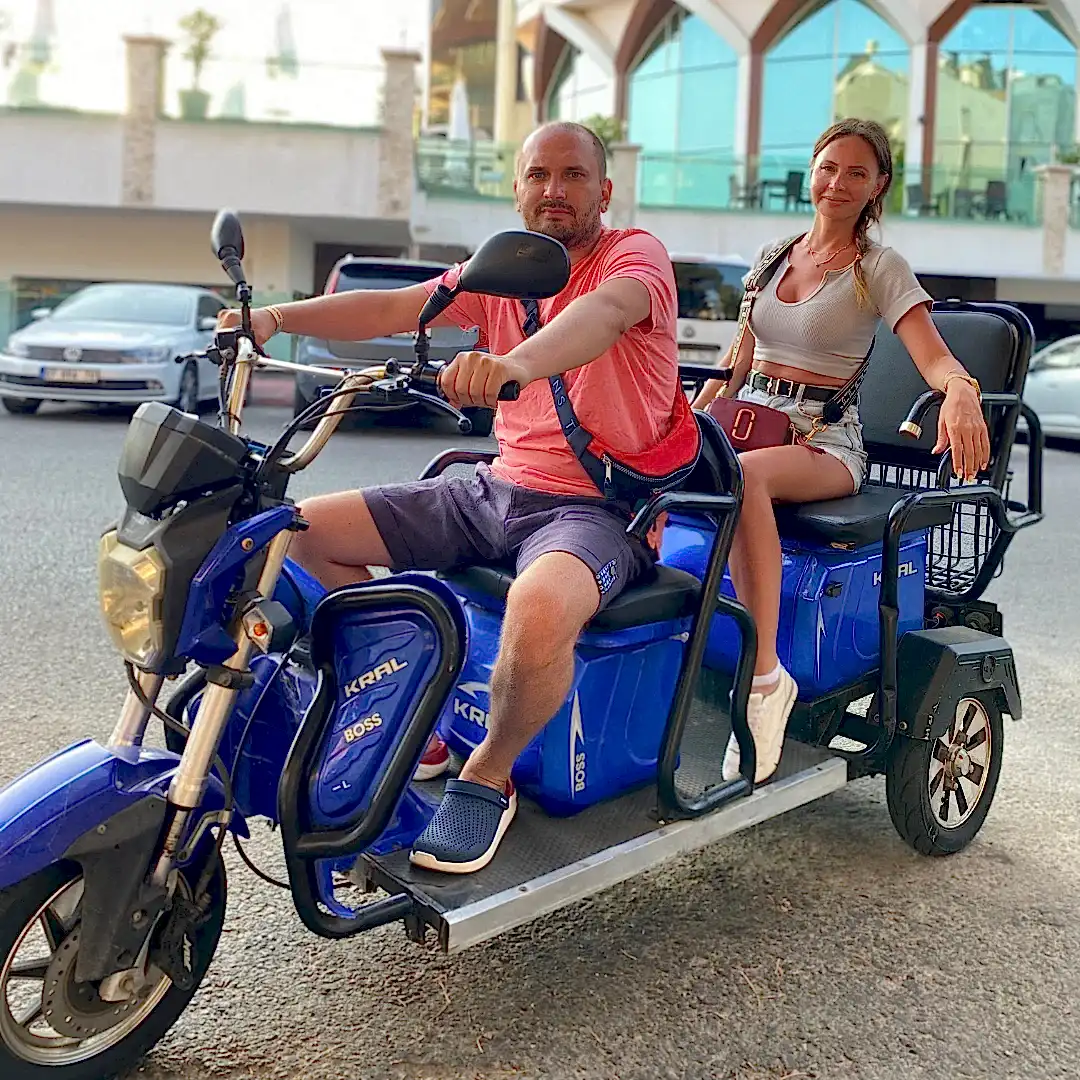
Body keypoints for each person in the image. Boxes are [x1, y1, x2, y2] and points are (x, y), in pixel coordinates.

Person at [218, 121, 685, 874]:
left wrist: (513, 365)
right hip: (495, 488)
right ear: (517, 189)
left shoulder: (635, 256)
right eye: (538, 176)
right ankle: (419, 719)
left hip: (599, 509)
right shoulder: (505, 267)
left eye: (573, 176)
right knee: (299, 531)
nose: (554, 191)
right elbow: (394, 308)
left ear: (604, 191)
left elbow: (601, 317)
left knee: (540, 607)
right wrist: (273, 318)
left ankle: (489, 773)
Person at [690, 118, 990, 785]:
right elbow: (736, 360)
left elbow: (934, 356)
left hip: (822, 440)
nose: (838, 182)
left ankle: (765, 680)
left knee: (744, 478)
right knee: (655, 463)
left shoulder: (877, 267)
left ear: (878, 185)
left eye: (857, 172)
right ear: (811, 171)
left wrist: (960, 391)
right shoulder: (773, 254)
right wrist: (690, 419)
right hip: (749, 422)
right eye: (828, 167)